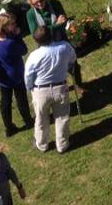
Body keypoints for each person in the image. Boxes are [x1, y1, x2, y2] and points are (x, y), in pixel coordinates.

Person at [24, 25, 78, 153]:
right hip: (60, 87)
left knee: (41, 119)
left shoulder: (34, 56)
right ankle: (62, 145)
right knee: (62, 117)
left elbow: (28, 75)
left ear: (37, 41)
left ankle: (42, 144)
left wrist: (30, 88)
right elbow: (73, 59)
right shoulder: (64, 47)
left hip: (41, 91)